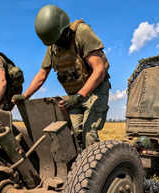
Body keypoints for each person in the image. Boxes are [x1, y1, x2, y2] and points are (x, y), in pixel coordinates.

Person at [12, 4, 111, 149]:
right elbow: (42, 74)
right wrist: (24, 96)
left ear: (64, 28)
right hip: (74, 95)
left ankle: (96, 169)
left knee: (88, 135)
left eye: (58, 39)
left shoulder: (81, 33)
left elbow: (99, 71)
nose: (56, 44)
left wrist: (78, 97)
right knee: (75, 135)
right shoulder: (52, 45)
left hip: (95, 89)